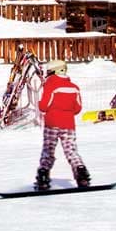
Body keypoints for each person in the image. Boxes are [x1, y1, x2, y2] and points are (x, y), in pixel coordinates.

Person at [35, 60, 90, 191]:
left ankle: (43, 178)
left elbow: (44, 106)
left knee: (48, 150)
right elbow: (77, 108)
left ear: (53, 71)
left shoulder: (50, 85)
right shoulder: (74, 88)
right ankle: (81, 174)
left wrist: (39, 103)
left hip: (52, 123)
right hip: (68, 124)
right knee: (71, 150)